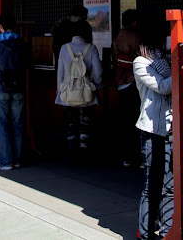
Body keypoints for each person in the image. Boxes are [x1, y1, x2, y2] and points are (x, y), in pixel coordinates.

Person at [133, 12, 174, 240]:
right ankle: (146, 232)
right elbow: (163, 87)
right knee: (152, 185)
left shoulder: (166, 59)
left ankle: (167, 230)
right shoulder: (141, 62)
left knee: (170, 184)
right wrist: (182, 68)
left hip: (170, 128)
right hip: (151, 131)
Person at [56, 20, 102, 165]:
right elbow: (98, 72)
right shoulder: (92, 48)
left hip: (68, 92)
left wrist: (60, 90)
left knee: (71, 123)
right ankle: (84, 152)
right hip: (86, 92)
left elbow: (60, 72)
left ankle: (70, 153)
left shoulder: (64, 48)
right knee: (85, 122)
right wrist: (96, 86)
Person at [0, 12, 29, 170]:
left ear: (0, 26)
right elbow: (27, 62)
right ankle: (17, 159)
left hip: (0, 88)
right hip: (18, 87)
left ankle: (5, 161)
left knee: (2, 125)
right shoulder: (21, 42)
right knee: (18, 124)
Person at [112, 9, 142, 167]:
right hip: (132, 80)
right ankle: (136, 155)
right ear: (135, 22)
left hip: (120, 80)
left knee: (124, 120)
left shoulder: (117, 36)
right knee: (136, 121)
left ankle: (125, 156)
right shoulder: (136, 36)